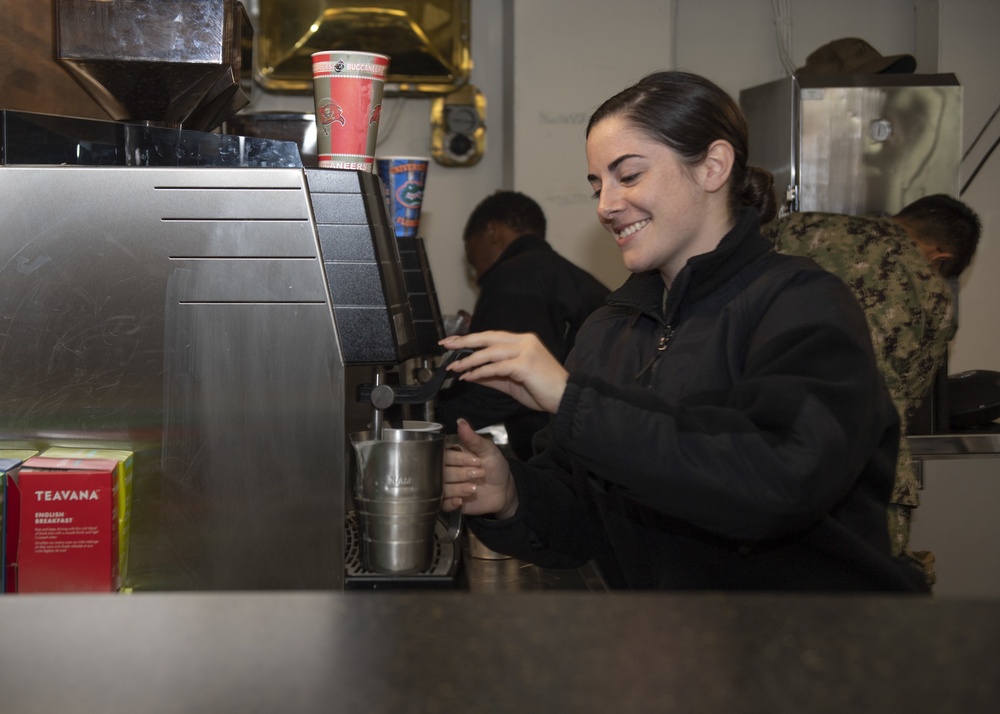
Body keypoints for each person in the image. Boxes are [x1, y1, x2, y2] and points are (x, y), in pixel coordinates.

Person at [437, 70, 929, 592]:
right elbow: (586, 517)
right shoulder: (610, 329)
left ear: (713, 166)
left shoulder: (803, 304)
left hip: (807, 654)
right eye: (597, 185)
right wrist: (511, 494)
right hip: (676, 652)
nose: (605, 205)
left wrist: (570, 396)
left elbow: (777, 482)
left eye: (628, 176)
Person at [764, 195, 981, 583]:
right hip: (865, 476)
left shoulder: (796, 226)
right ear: (938, 258)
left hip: (764, 445)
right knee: (867, 609)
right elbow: (904, 402)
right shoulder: (933, 295)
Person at [434, 190, 609, 460]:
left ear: (492, 232)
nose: (477, 273)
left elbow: (499, 392)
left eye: (473, 260)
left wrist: (425, 415)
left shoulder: (514, 278)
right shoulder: (555, 273)